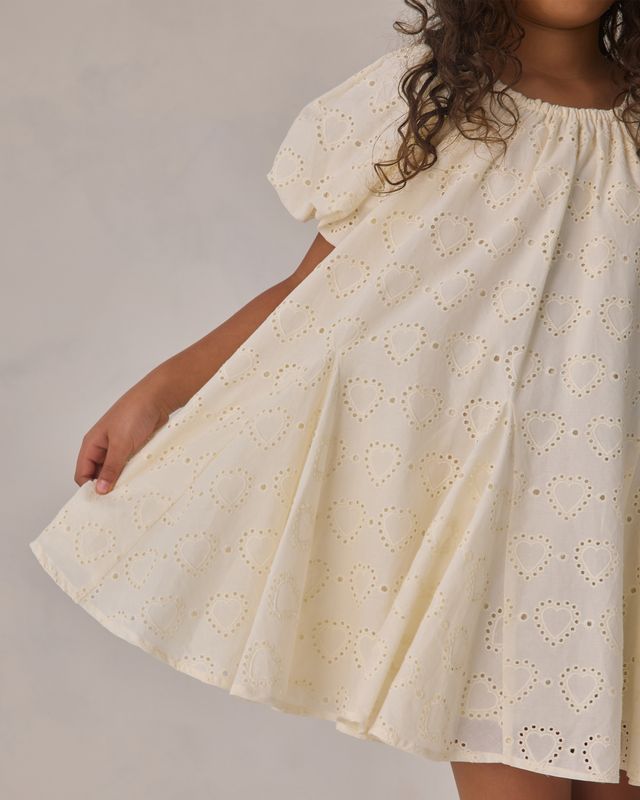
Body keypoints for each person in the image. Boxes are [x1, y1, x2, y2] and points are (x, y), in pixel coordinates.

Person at [29, 0, 640, 797]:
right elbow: (323, 293)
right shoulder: (436, 101)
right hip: (499, 522)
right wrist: (163, 391)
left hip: (616, 505)